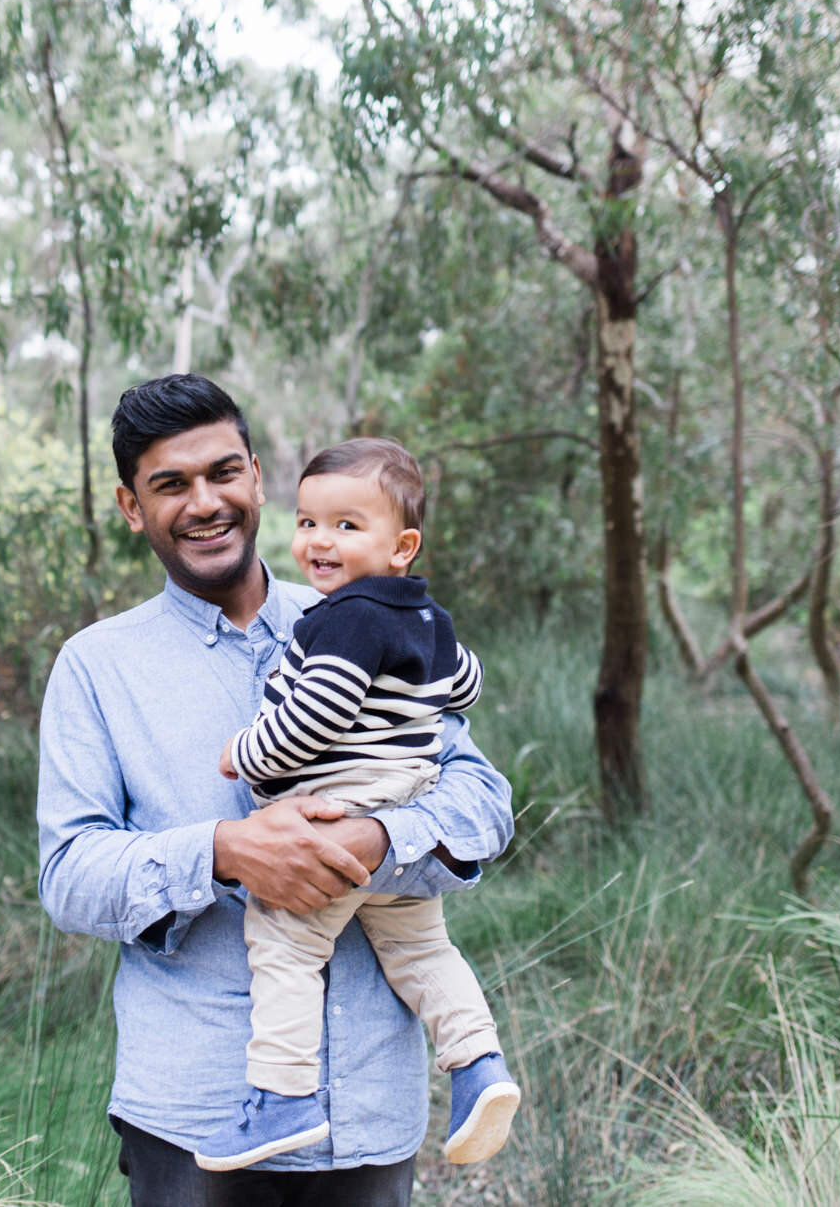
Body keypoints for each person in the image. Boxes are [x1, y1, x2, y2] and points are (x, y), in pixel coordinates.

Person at [38, 375, 515, 1206]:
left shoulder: (368, 617)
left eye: (223, 472)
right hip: (193, 1118)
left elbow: (482, 803)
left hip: (370, 1110)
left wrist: (376, 842)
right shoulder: (96, 667)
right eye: (171, 484)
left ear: (258, 477)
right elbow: (69, 877)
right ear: (129, 505)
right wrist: (225, 852)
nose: (205, 502)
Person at [196, 438, 520, 1173]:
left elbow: (316, 716)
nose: (320, 541)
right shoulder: (427, 618)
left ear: (402, 545)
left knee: (285, 944)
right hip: (405, 801)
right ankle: (477, 1065)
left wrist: (244, 752)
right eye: (309, 522)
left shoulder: (347, 617)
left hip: (338, 811)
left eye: (347, 525)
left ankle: (281, 1100)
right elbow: (464, 686)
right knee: (422, 949)